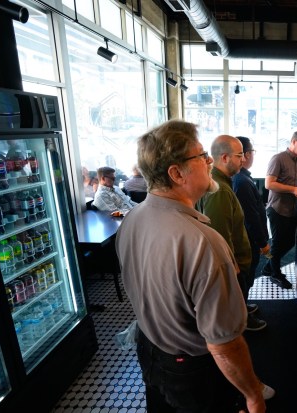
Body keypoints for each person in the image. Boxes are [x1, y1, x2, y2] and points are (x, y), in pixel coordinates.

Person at [116, 120, 270, 413]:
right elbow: (224, 345)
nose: (209, 161)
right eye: (200, 156)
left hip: (149, 350)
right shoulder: (204, 243)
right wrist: (253, 395)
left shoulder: (133, 218)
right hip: (191, 372)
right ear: (176, 173)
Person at [198, 135, 267, 332]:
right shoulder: (219, 190)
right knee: (234, 300)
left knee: (239, 297)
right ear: (225, 157)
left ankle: (242, 311)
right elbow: (219, 236)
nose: (243, 160)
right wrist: (233, 267)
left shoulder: (223, 182)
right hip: (233, 265)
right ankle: (241, 322)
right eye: (239, 156)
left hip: (236, 260)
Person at [261, 131, 297, 289]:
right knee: (277, 242)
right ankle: (275, 274)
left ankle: (269, 265)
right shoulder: (278, 158)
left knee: (290, 241)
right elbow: (269, 184)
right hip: (277, 208)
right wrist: (293, 189)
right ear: (294, 141)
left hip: (292, 209)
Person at [232, 136, 271, 318]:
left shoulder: (242, 178)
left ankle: (243, 307)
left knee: (247, 279)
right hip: (248, 241)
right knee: (245, 278)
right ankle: (242, 318)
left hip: (249, 239)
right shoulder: (241, 182)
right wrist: (262, 242)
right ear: (246, 155)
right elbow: (250, 217)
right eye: (252, 152)